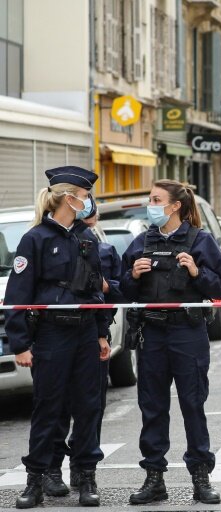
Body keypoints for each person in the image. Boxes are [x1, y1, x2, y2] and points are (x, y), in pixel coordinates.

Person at [120, 180, 221, 505]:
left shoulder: (201, 241)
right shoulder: (142, 242)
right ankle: (154, 479)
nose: (150, 204)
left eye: (156, 199)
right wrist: (134, 276)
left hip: (187, 334)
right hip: (152, 335)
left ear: (175, 206)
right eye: (150, 199)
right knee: (152, 408)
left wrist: (197, 273)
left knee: (192, 405)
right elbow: (121, 289)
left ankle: (201, 478)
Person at [5, 167, 111, 508]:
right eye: (84, 195)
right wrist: (19, 343)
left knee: (88, 406)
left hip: (83, 333)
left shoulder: (85, 238)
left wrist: (101, 334)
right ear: (71, 198)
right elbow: (17, 295)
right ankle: (35, 480)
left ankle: (87, 477)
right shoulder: (35, 239)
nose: (87, 201)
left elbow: (96, 291)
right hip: (51, 333)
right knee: (48, 408)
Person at [43, 201, 123, 498]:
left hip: (90, 333)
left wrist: (104, 292)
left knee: (90, 407)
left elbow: (114, 293)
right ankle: (52, 468)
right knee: (56, 405)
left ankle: (83, 468)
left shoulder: (102, 249)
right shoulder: (43, 240)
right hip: (55, 335)